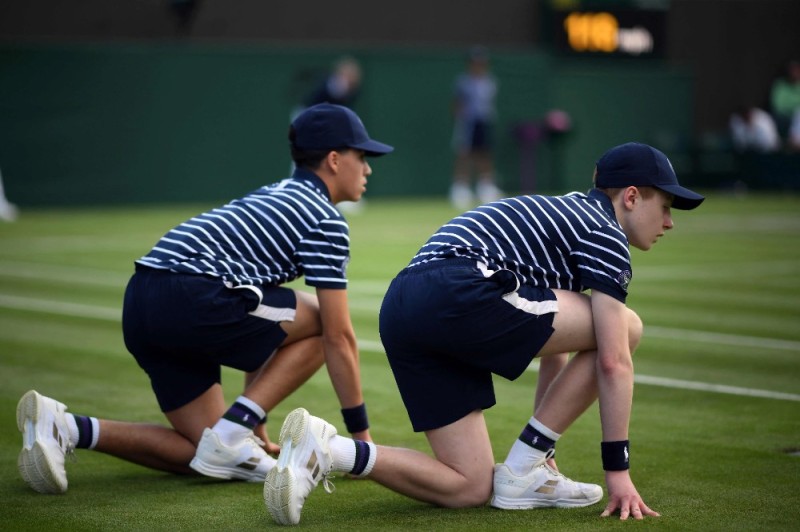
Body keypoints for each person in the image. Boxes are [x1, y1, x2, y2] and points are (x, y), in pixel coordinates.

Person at [264, 142, 705, 524]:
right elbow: (613, 359)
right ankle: (524, 469)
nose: (669, 222)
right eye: (665, 206)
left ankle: (327, 450)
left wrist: (541, 453)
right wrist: (618, 473)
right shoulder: (604, 232)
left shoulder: (566, 217)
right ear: (631, 196)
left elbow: (558, 345)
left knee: (468, 485)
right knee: (626, 328)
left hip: (404, 305)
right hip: (460, 288)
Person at [16, 103, 393, 494]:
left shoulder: (274, 193)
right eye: (362, 156)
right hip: (191, 294)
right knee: (320, 322)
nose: (367, 168)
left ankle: (64, 427)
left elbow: (266, 316)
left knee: (204, 453)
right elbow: (339, 337)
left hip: (142, 298)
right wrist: (361, 436)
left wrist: (256, 424)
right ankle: (232, 432)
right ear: (334, 160)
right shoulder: (324, 218)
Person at [449, 46, 503, 209]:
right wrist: (461, 119)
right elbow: (457, 105)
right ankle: (460, 188)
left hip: (484, 121)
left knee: (484, 153)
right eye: (475, 62)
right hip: (467, 123)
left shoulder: (490, 82)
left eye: (481, 62)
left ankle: (486, 187)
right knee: (464, 153)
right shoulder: (463, 82)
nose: (478, 65)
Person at [769, 59, 800, 145]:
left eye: (797, 70)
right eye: (792, 70)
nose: (795, 73)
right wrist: (794, 110)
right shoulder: (780, 84)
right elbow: (778, 105)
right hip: (784, 117)